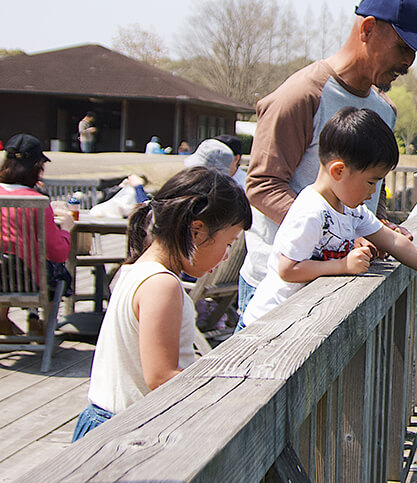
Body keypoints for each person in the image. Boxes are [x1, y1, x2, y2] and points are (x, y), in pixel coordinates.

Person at [239, 0, 417, 315]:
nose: (408, 62)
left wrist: (381, 229)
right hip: (276, 285)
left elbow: (367, 191)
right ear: (367, 29)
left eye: (414, 53)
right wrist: (339, 237)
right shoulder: (301, 95)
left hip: (336, 284)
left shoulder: (385, 110)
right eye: (403, 47)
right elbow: (263, 186)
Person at [72, 167, 252, 440]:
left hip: (108, 422)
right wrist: (223, 396)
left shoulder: (139, 267)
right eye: (228, 243)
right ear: (197, 232)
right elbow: (161, 376)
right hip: (122, 433)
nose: (226, 256)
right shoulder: (161, 284)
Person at [240, 108, 417, 328]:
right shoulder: (311, 211)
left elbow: (392, 241)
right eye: (371, 182)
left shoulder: (352, 209)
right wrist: (342, 265)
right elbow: (288, 269)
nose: (373, 192)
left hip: (296, 321)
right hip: (265, 324)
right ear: (338, 171)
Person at [0, 134, 74, 337]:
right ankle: (42, 326)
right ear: (36, 167)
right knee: (57, 271)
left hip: (3, 274)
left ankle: (3, 321)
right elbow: (57, 253)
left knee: (6, 264)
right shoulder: (37, 202)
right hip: (28, 282)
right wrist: (66, 229)